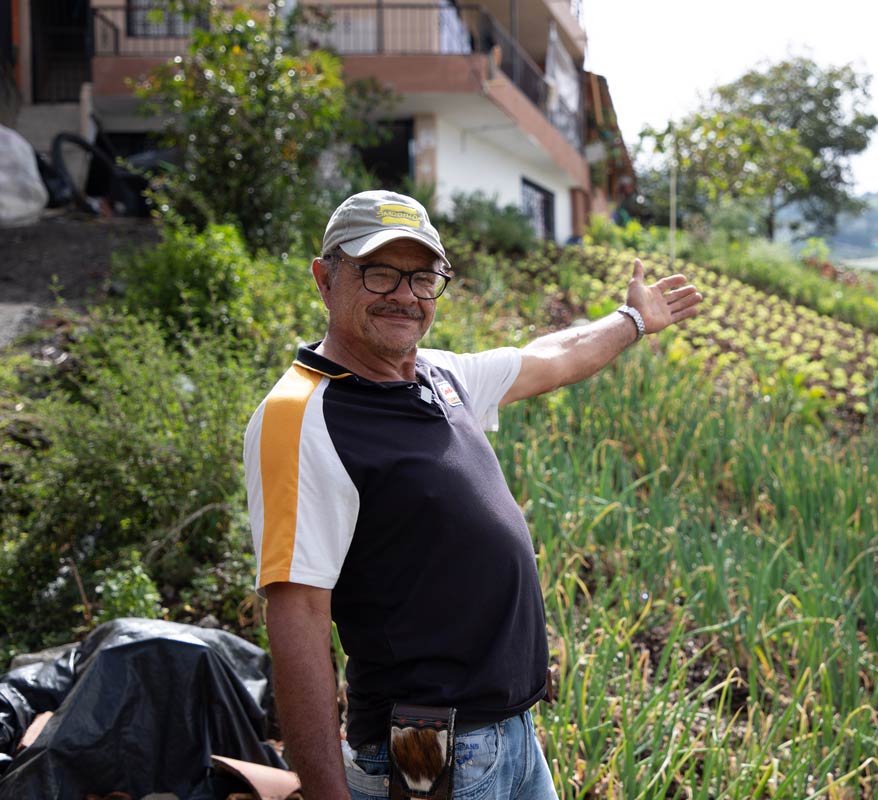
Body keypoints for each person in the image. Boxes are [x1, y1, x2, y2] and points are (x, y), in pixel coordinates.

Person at [243, 190, 702, 800]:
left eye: (423, 277)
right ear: (325, 279)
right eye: (379, 272)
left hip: (512, 733)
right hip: (425, 747)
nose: (405, 295)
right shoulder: (301, 416)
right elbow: (297, 616)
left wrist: (633, 320)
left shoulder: (439, 376)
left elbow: (550, 357)